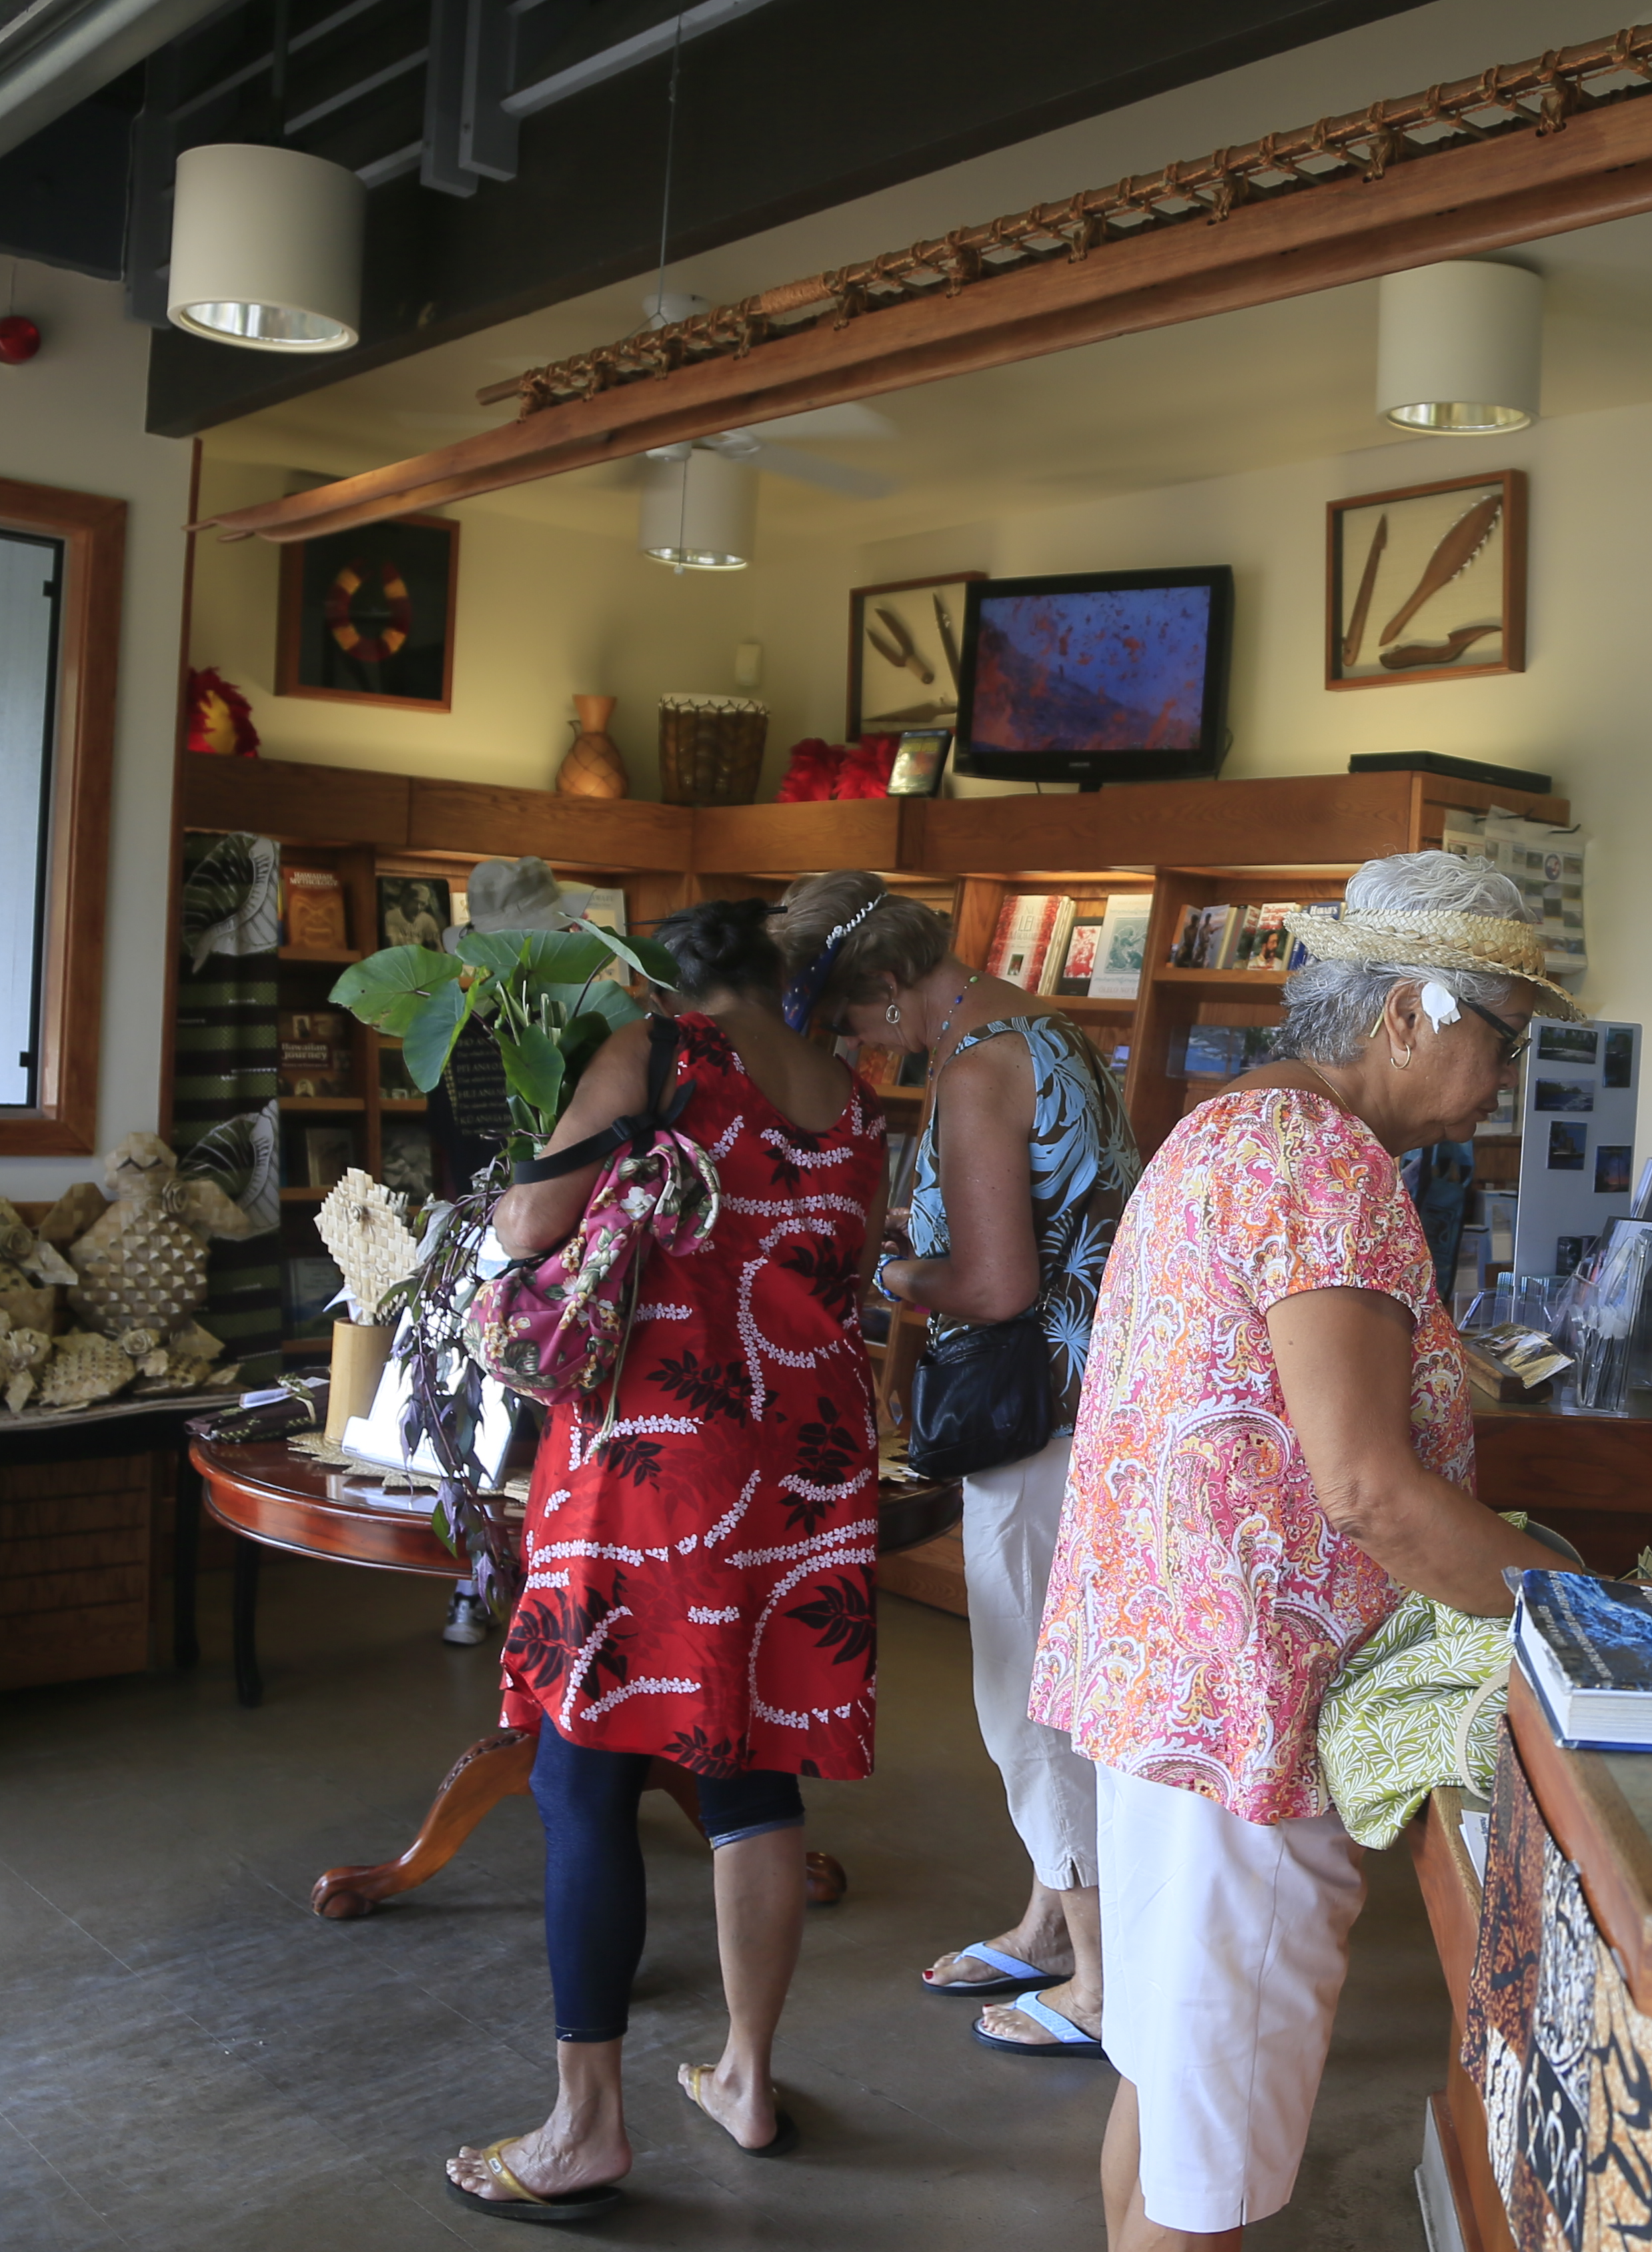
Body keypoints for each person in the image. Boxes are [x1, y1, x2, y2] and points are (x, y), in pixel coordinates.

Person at [1030, 851, 1589, 2249]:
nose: (1509, 1076)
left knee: (1169, 2100)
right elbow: (1370, 1494)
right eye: (1504, 1038)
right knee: (1208, 2173)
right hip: (1249, 1728)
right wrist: (1589, 1612)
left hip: (1162, 1691)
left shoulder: (1229, 1130)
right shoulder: (1332, 1169)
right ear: (1413, 1012)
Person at [444, 893, 886, 2217]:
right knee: (748, 1771)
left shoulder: (659, 1056)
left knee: (584, 1780)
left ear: (654, 980)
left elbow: (529, 1233)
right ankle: (747, 2076)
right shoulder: (848, 1092)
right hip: (802, 1459)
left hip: (659, 1461)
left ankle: (586, 2126)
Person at [790, 872, 1143, 2056]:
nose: (858, 1046)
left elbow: (996, 1286)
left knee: (1025, 1691)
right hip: (1094, 1401)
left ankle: (1100, 1982)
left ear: (892, 985)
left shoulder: (979, 1069)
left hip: (1028, 1414)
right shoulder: (1052, 1032)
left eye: (855, 1020)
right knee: (1065, 1668)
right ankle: (1049, 1925)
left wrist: (881, 1272)